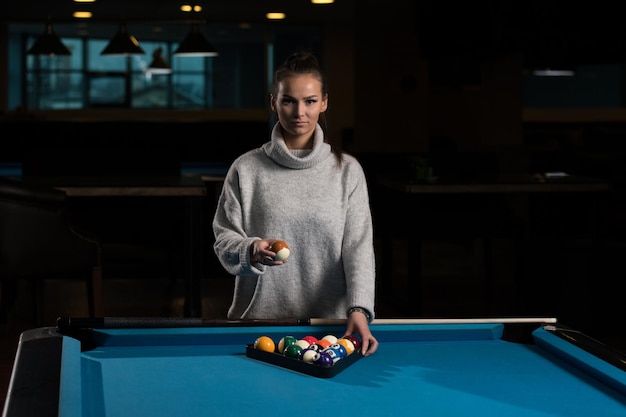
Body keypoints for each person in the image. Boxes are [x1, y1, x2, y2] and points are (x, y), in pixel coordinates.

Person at [212, 50, 379, 355]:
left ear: (324, 102)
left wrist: (359, 309)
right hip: (258, 326)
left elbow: (358, 248)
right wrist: (250, 249)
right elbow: (223, 240)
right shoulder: (246, 168)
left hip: (330, 332)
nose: (299, 112)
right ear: (273, 102)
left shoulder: (348, 170)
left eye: (310, 101)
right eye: (288, 100)